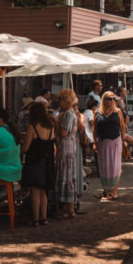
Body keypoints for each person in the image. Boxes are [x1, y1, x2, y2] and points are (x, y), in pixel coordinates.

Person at [21, 102, 56, 226]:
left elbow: (25, 147)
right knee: (43, 192)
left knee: (35, 191)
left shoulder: (33, 126)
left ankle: (35, 219)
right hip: (48, 163)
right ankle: (44, 218)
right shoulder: (51, 126)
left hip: (35, 161)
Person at [94, 91, 126, 200]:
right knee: (104, 167)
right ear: (104, 100)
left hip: (115, 141)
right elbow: (95, 129)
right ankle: (106, 190)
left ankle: (114, 191)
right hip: (103, 142)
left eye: (114, 98)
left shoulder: (118, 112)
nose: (112, 101)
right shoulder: (97, 112)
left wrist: (123, 140)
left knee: (115, 167)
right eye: (110, 98)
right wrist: (95, 142)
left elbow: (122, 126)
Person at [54, 89, 81, 218]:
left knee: (66, 177)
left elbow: (64, 133)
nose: (59, 102)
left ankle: (69, 208)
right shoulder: (68, 113)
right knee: (67, 177)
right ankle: (67, 206)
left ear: (66, 100)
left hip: (66, 148)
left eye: (60, 99)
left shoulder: (69, 113)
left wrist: (55, 122)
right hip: (68, 147)